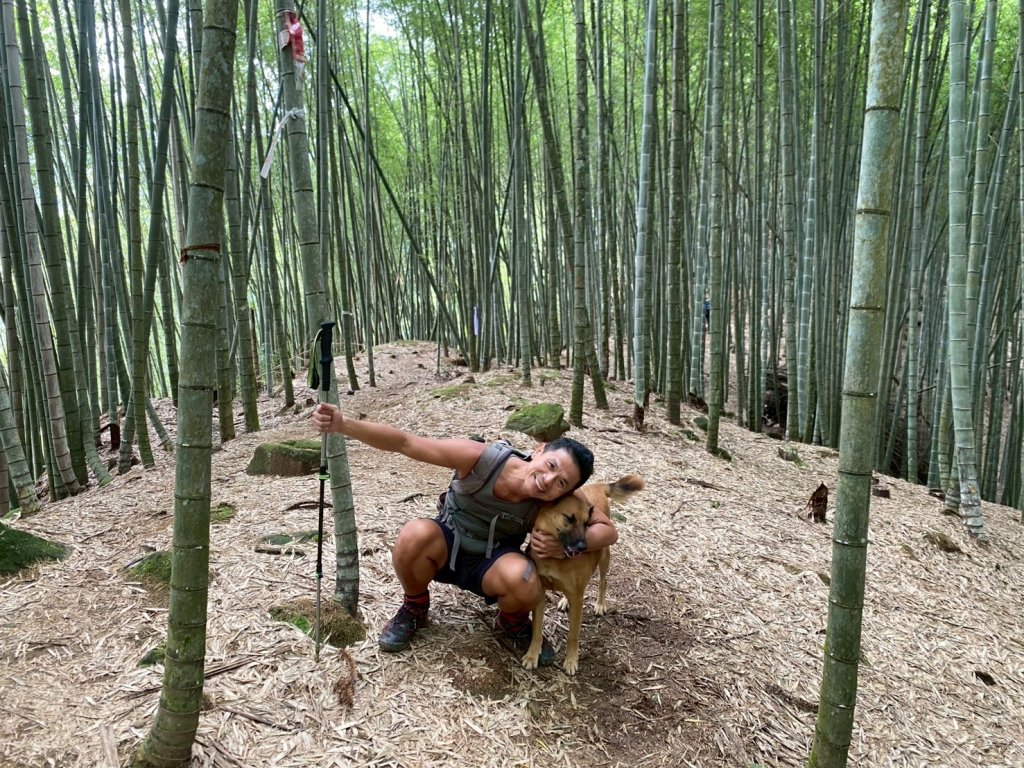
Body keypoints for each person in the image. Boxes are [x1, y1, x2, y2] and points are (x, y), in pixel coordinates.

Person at [311, 402, 614, 666]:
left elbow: (607, 531)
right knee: (413, 535)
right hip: (449, 543)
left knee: (525, 580)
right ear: (539, 450)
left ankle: (512, 623)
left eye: (562, 483)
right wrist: (343, 424)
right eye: (550, 465)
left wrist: (566, 547)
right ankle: (414, 607)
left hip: (493, 559)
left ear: (570, 491)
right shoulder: (481, 458)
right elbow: (405, 442)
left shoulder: (558, 500)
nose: (548, 481)